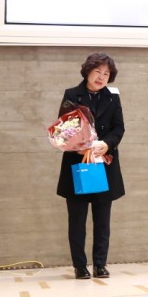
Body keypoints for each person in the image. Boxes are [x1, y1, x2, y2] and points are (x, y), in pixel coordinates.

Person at [56, 53, 126, 280]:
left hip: (103, 163)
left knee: (102, 219)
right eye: (97, 72)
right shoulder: (72, 94)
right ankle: (79, 266)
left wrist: (107, 144)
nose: (101, 77)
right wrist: (77, 146)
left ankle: (100, 264)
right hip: (78, 163)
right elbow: (63, 128)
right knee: (77, 219)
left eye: (106, 74)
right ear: (87, 71)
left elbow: (119, 128)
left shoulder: (113, 98)